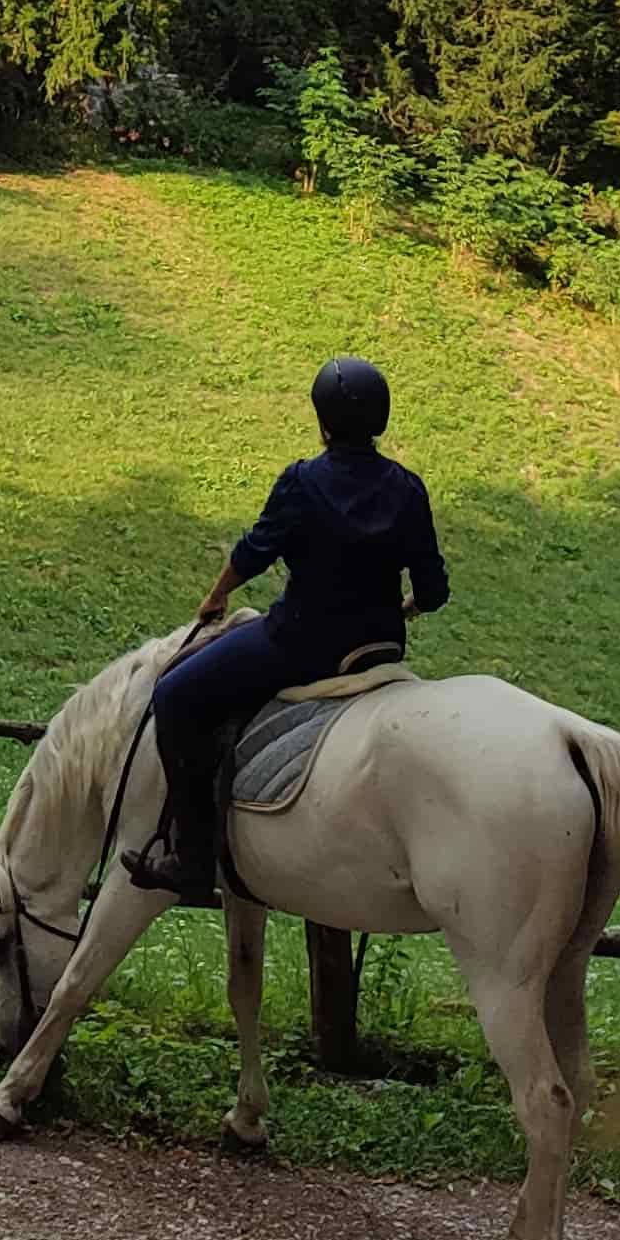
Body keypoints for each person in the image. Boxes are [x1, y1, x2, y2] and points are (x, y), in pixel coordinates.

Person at [121, 354, 449, 909]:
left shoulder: (302, 482)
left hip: (300, 645)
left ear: (323, 421)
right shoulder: (409, 488)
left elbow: (255, 551)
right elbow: (434, 589)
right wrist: (406, 609)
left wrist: (217, 593)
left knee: (174, 695)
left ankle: (194, 859)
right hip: (378, 649)